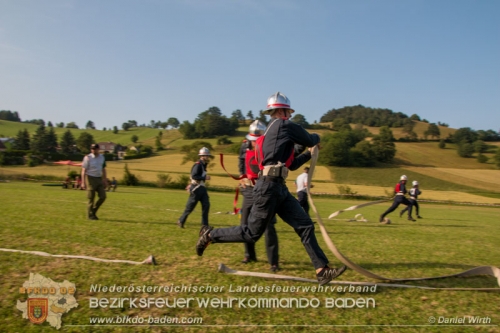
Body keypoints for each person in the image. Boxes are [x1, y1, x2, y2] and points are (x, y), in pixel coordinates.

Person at [196, 92, 346, 286]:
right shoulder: (283, 126)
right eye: (288, 112)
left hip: (279, 188)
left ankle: (322, 271)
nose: (290, 115)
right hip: (268, 187)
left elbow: (291, 165)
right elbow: (310, 138)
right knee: (251, 233)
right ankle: (209, 235)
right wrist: (316, 140)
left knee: (305, 225)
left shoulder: (276, 134)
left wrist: (309, 155)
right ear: (281, 111)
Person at [237, 120, 280, 272]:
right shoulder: (244, 146)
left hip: (265, 191)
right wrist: (242, 176)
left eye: (257, 140)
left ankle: (273, 262)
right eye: (252, 140)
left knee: (269, 227)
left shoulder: (270, 148)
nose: (254, 143)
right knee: (245, 224)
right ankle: (249, 255)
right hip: (249, 191)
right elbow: (241, 161)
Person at [177, 147, 211, 228]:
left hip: (202, 188)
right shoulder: (198, 165)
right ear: (202, 156)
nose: (207, 157)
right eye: (206, 155)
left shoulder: (203, 165)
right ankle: (181, 220)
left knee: (206, 205)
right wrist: (204, 178)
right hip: (196, 188)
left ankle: (205, 225)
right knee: (190, 207)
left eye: (207, 155)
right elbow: (194, 175)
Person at [81, 143, 108, 220]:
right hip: (90, 178)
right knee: (91, 198)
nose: (93, 150)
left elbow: (103, 169)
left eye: (95, 149)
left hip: (99, 178)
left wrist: (105, 180)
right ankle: (90, 216)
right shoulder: (87, 158)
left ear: (98, 149)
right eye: (92, 149)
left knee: (103, 196)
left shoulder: (102, 157)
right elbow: (83, 170)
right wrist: (83, 182)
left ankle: (93, 211)